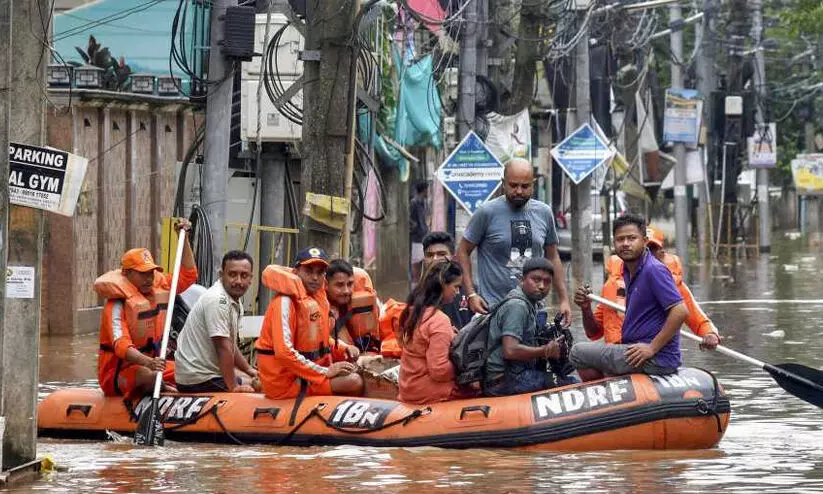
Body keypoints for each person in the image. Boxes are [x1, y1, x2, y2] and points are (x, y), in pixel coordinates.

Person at [570, 214, 688, 380]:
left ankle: (604, 399)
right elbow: (594, 332)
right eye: (620, 239)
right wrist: (585, 307)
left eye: (632, 238)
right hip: (631, 350)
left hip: (654, 358)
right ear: (614, 243)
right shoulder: (626, 271)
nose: (625, 244)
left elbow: (681, 311)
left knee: (577, 352)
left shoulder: (653, 270)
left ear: (645, 240)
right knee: (592, 355)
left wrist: (652, 348)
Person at [457, 158, 571, 326]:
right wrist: (471, 294)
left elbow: (553, 257)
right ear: (503, 183)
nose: (519, 191)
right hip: (493, 310)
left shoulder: (544, 212)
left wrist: (564, 300)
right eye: (513, 185)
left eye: (525, 186)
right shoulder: (486, 212)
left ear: (533, 184)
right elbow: (463, 251)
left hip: (534, 310)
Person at [95, 219, 197, 398]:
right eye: (143, 273)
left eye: (151, 272)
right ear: (126, 274)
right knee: (149, 377)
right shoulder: (116, 305)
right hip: (117, 375)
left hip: (153, 364)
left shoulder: (160, 285)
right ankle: (163, 388)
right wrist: (148, 362)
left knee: (192, 369)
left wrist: (185, 238)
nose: (149, 278)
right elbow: (121, 347)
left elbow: (189, 275)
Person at [577, 226, 720, 350]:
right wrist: (586, 308)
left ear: (661, 253)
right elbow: (594, 333)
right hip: (617, 353)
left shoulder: (670, 283)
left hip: (652, 353)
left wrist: (710, 334)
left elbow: (696, 318)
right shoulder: (612, 285)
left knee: (580, 352)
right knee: (581, 356)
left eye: (651, 249)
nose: (645, 253)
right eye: (643, 249)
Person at [255, 247, 363, 399]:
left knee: (358, 373)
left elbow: (318, 341)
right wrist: (325, 372)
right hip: (286, 383)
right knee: (354, 382)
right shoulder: (284, 302)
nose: (314, 277)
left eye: (319, 273)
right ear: (296, 272)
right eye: (309, 271)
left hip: (306, 376)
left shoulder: (316, 300)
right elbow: (284, 353)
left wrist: (344, 348)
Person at [174, 250, 259, 393]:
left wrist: (249, 369)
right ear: (221, 275)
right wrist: (234, 387)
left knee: (255, 379)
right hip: (198, 379)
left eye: (244, 276)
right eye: (232, 274)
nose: (238, 281)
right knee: (258, 386)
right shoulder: (217, 300)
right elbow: (223, 347)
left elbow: (230, 345)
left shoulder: (234, 301)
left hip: (209, 374)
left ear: (251, 278)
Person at [483, 258, 569, 397]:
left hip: (516, 374)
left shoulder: (531, 304)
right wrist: (545, 351)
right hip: (505, 380)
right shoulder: (518, 306)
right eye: (536, 280)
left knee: (562, 375)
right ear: (522, 280)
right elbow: (510, 351)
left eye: (547, 282)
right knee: (571, 386)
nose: (541, 286)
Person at [397, 260, 464, 404]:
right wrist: (461, 367)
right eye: (456, 287)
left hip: (408, 389)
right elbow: (439, 370)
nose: (457, 292)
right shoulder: (439, 320)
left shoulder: (414, 313)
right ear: (443, 284)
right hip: (429, 392)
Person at [325, 259, 381, 351]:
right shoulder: (320, 310)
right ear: (326, 285)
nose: (346, 291)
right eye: (339, 285)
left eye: (350, 284)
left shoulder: (367, 298)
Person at [421, 231, 473, 329]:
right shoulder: (419, 295)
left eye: (441, 254)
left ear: (452, 257)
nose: (435, 259)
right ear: (424, 260)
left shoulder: (470, 292)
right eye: (430, 255)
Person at [409, 181, 430, 286]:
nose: (428, 192)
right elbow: (409, 220)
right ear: (424, 190)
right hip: (417, 238)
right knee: (416, 264)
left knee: (424, 263)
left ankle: (420, 285)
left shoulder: (423, 203)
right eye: (427, 189)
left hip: (423, 237)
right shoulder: (414, 203)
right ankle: (414, 286)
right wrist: (415, 227)